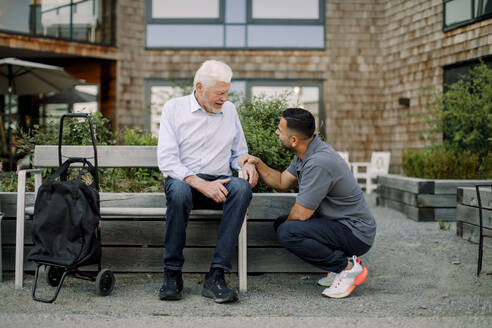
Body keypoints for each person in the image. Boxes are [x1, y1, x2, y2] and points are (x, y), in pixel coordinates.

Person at [239, 108, 376, 299]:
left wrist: (286, 232)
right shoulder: (304, 152)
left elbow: (302, 214)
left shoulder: (318, 162)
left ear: (294, 140)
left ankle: (347, 269)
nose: (277, 132)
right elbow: (281, 182)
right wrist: (258, 163)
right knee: (282, 224)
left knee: (288, 231)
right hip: (339, 224)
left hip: (355, 232)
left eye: (280, 130)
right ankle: (339, 268)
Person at [157, 60, 258, 303]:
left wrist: (246, 164)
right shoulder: (174, 108)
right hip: (185, 183)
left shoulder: (230, 111)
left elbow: (238, 154)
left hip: (220, 185)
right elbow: (167, 160)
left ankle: (216, 275)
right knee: (179, 191)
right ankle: (172, 274)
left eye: (227, 92)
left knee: (242, 187)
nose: (224, 98)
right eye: (219, 93)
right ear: (200, 87)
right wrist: (200, 184)